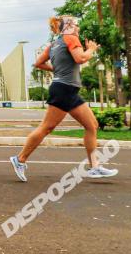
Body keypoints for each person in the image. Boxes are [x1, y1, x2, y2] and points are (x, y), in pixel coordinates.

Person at [9, 16, 118, 181]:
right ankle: (20, 159)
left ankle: (94, 167)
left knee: (92, 125)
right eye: (76, 24)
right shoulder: (71, 38)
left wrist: (59, 70)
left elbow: (38, 63)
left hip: (68, 90)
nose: (78, 27)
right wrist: (91, 49)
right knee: (46, 128)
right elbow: (80, 58)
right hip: (64, 90)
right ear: (69, 26)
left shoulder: (54, 44)